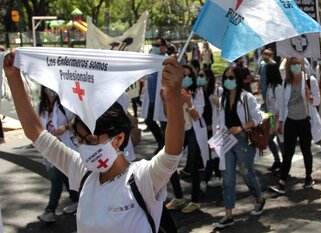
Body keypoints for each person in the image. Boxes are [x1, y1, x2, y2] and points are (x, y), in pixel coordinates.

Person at [4, 54, 185, 233]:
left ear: (119, 139)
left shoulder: (142, 178)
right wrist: (13, 77)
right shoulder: (82, 173)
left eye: (91, 140)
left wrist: (173, 98)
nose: (83, 147)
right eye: (79, 140)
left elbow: (171, 154)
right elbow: (35, 133)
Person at [213, 66, 265, 229]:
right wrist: (216, 139)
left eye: (232, 77)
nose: (228, 80)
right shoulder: (222, 99)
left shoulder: (247, 97)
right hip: (227, 140)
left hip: (243, 140)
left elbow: (257, 119)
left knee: (246, 173)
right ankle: (228, 215)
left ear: (238, 79)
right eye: (226, 77)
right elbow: (220, 122)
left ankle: (259, 198)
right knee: (227, 178)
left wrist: (241, 128)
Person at [269, 57, 320, 195]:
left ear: (302, 64)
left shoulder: (310, 80)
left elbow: (317, 100)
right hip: (290, 121)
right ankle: (282, 182)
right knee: (288, 152)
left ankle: (309, 176)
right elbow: (282, 104)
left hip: (304, 120)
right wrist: (280, 123)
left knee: (306, 150)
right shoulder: (286, 82)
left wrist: (310, 97)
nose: (296, 66)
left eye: (298, 63)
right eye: (293, 64)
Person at [166, 65, 206, 213]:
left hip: (193, 132)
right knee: (169, 162)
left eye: (189, 76)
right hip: (179, 130)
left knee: (193, 165)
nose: (187, 78)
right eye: (184, 76)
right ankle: (178, 197)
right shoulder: (174, 91)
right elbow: (167, 114)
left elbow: (196, 116)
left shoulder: (198, 92)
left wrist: (188, 102)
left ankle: (195, 201)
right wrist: (166, 100)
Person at [36, 86, 78, 222]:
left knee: (56, 177)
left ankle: (50, 210)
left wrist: (65, 127)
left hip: (66, 147)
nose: (50, 89)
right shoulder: (41, 107)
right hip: (50, 148)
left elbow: (77, 120)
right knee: (65, 176)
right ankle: (76, 199)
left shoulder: (65, 103)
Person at [199, 68, 223, 189]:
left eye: (202, 75)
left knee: (213, 153)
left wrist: (215, 99)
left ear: (208, 78)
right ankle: (214, 176)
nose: (200, 78)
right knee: (210, 153)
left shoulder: (217, 90)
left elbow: (222, 105)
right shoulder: (200, 90)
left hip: (215, 126)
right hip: (204, 126)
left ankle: (210, 178)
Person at [144, 37, 168, 153]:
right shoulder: (152, 59)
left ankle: (165, 148)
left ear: (164, 47)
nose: (155, 47)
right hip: (152, 98)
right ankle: (161, 142)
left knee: (164, 124)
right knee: (149, 121)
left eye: (158, 45)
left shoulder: (167, 61)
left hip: (163, 98)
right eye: (154, 44)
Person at [265, 62, 284, 171]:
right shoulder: (270, 87)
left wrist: (276, 125)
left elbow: (279, 108)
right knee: (269, 140)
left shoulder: (278, 88)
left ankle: (284, 167)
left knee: (282, 143)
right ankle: (277, 161)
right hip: (272, 118)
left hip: (279, 119)